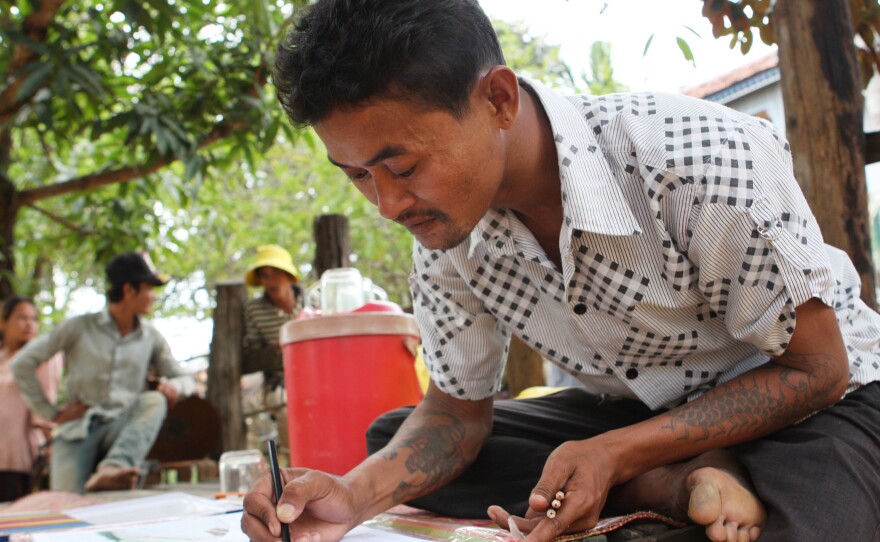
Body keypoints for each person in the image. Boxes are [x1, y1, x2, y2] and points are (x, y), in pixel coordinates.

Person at [241, 1, 880, 541]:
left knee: (816, 521)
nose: (386, 206)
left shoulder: (693, 159)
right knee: (391, 436)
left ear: (497, 98)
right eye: (357, 176)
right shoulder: (445, 236)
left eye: (402, 167)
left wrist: (614, 453)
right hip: (635, 415)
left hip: (825, 400)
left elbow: (817, 370)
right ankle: (684, 479)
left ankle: (663, 475)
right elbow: (458, 417)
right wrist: (352, 498)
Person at [12, 252, 195, 493]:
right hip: (78, 428)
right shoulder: (78, 327)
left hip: (123, 426)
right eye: (150, 289)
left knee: (154, 400)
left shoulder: (151, 337)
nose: (153, 297)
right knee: (63, 506)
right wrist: (51, 413)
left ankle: (114, 468)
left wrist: (176, 387)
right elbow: (21, 364)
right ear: (129, 290)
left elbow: (186, 378)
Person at [0, 297, 62, 501]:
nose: (29, 324)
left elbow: (44, 403)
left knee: (13, 520)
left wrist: (52, 444)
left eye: (34, 319)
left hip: (18, 455)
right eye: (21, 318)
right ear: (3, 322)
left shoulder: (42, 356)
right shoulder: (3, 358)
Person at [242, 244, 303, 375]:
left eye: (276, 273)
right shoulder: (254, 310)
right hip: (278, 382)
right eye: (265, 275)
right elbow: (253, 351)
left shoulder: (311, 302)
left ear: (288, 275)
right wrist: (273, 351)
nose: (271, 281)